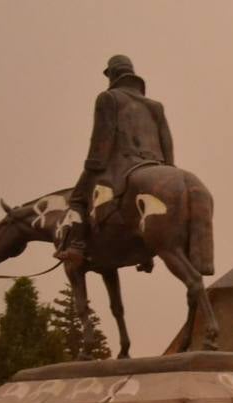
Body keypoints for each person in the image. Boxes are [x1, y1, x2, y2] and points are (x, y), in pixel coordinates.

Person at [57, 55, 175, 264]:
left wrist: (93, 166)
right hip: (157, 164)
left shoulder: (108, 98)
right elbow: (167, 141)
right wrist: (170, 168)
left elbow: (103, 136)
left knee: (76, 199)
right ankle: (147, 254)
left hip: (122, 164)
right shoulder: (156, 106)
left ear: (112, 75)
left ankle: (77, 246)